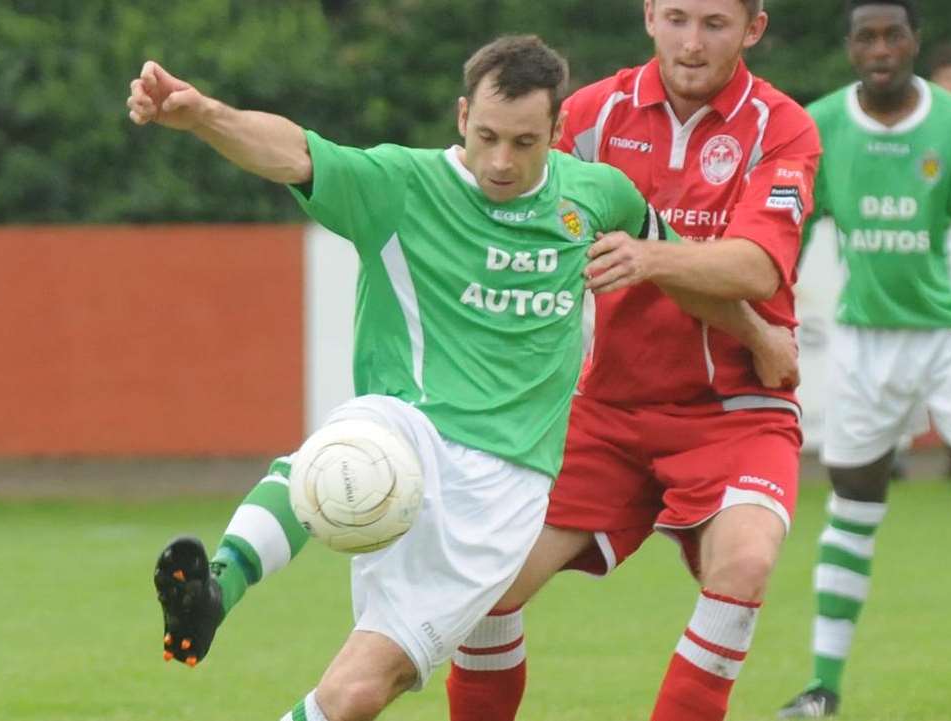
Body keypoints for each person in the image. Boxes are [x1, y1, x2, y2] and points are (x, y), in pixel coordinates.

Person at [128, 35, 792, 721]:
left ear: (559, 132)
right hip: (408, 425)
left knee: (354, 694)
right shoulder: (403, 184)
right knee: (337, 451)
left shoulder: (597, 196)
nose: (501, 161)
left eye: (525, 142)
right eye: (487, 136)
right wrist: (204, 114)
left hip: (501, 489)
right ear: (460, 117)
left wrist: (759, 333)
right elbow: (294, 151)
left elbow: (678, 272)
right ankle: (217, 584)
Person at [443, 2, 820, 721]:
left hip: (734, 409)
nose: (691, 41)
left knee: (743, 560)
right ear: (649, 15)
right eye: (676, 17)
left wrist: (648, 254)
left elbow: (753, 269)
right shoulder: (587, 117)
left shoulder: (781, 128)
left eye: (714, 23)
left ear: (753, 29)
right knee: (486, 585)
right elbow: (500, 206)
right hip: (605, 410)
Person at [778, 2, 951, 718]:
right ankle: (822, 687)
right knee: (851, 510)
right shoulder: (820, 125)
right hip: (864, 344)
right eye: (867, 36)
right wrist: (767, 314)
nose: (881, 47)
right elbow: (790, 231)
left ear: (913, 42)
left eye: (894, 34)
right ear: (849, 47)